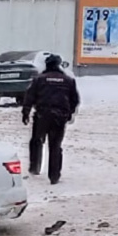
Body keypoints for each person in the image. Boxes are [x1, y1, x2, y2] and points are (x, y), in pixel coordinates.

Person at [21, 54, 80, 184]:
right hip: (59, 117)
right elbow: (74, 99)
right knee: (55, 146)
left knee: (36, 141)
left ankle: (34, 167)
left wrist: (25, 112)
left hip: (42, 115)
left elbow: (29, 97)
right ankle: (54, 176)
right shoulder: (68, 80)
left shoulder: (39, 79)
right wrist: (69, 113)